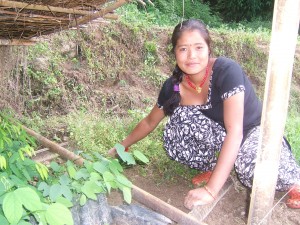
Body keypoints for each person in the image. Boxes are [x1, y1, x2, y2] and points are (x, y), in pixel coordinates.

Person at [108, 19, 300, 210]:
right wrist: (121, 147)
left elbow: (236, 131)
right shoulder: (173, 86)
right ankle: (216, 168)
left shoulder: (226, 71)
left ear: (209, 48)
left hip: (253, 133)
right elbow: (150, 121)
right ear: (174, 52)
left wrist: (210, 191)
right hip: (222, 137)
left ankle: (294, 182)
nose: (191, 56)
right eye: (183, 49)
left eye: (198, 47)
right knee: (177, 126)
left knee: (250, 169)